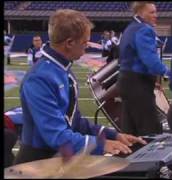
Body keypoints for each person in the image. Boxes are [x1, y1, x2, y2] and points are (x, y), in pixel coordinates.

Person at [14, 9, 146, 165]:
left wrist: (113, 135)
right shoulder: (39, 79)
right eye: (85, 42)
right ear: (69, 43)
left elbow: (75, 122)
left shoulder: (63, 70)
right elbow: (56, 135)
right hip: (36, 163)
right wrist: (101, 144)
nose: (87, 46)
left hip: (58, 159)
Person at [117, 2, 170, 136]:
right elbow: (150, 60)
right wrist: (170, 73)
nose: (155, 16)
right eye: (151, 12)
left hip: (125, 81)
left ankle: (130, 157)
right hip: (138, 84)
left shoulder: (130, 28)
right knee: (150, 131)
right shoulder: (144, 29)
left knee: (130, 131)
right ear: (140, 13)